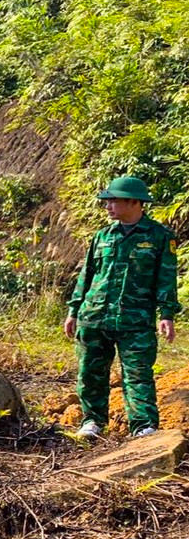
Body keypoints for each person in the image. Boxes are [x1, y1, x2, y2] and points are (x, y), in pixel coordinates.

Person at [64, 176, 179, 438]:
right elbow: (87, 275)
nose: (108, 206)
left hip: (135, 320)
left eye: (114, 200)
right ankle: (92, 422)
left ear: (135, 202)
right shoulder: (102, 236)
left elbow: (166, 277)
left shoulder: (160, 237)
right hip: (94, 317)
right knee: (91, 373)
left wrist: (166, 313)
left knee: (138, 375)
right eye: (107, 201)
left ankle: (143, 427)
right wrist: (73, 310)